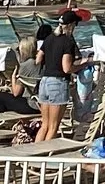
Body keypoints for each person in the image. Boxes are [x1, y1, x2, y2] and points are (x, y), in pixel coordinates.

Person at [35, 9, 83, 141]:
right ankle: (45, 157)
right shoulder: (68, 42)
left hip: (44, 81)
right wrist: (85, 64)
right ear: (71, 25)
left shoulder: (49, 38)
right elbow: (67, 68)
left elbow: (38, 59)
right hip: (58, 82)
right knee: (53, 126)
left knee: (44, 125)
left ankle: (33, 157)